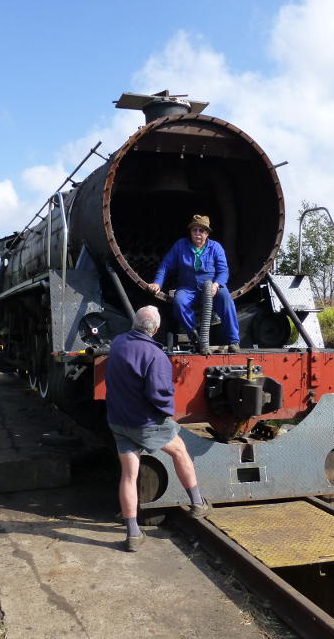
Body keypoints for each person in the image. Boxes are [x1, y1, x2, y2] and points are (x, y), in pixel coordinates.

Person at [105, 305, 210, 552]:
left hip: (118, 421)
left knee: (129, 475)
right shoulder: (155, 356)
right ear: (156, 329)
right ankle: (198, 504)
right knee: (180, 451)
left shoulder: (118, 342)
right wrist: (168, 412)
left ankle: (132, 534)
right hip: (145, 424)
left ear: (134, 323)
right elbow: (160, 395)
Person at [148, 214, 241, 353]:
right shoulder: (181, 245)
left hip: (212, 287)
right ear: (190, 232)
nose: (197, 233)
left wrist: (216, 285)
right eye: (194, 230)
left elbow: (223, 271)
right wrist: (157, 283)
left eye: (201, 231)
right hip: (188, 287)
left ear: (207, 233)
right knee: (179, 303)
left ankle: (234, 340)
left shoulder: (216, 247)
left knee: (226, 300)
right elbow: (165, 265)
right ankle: (195, 337)